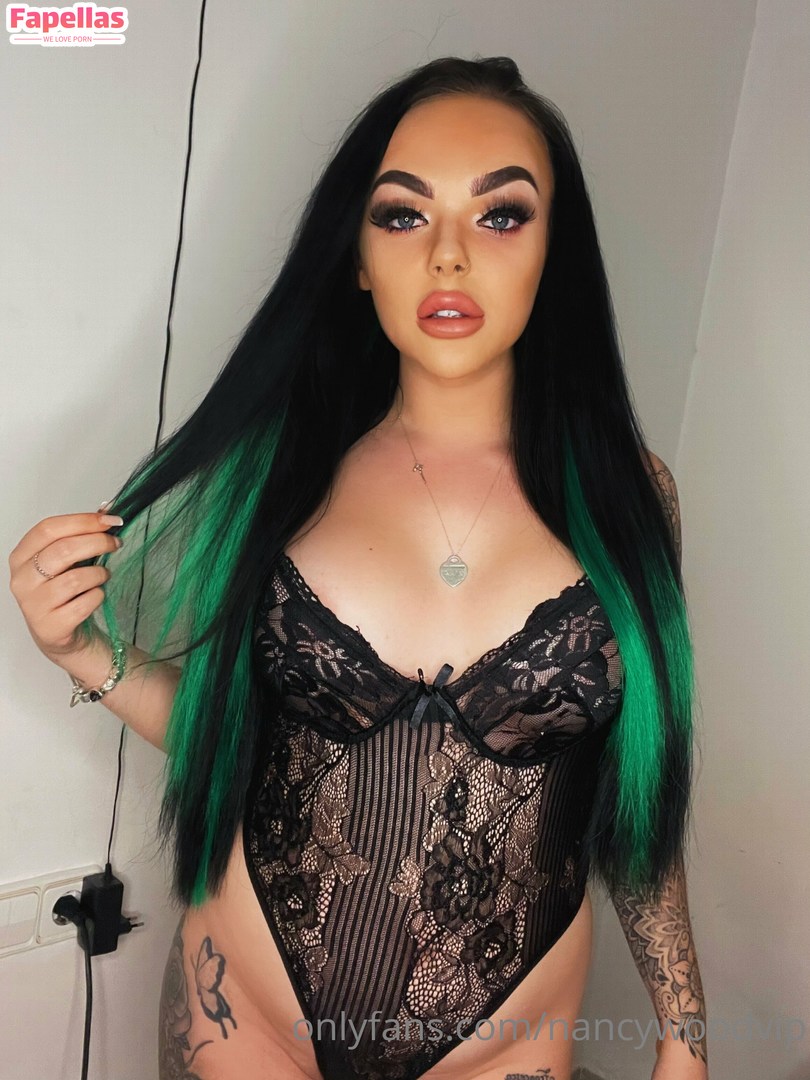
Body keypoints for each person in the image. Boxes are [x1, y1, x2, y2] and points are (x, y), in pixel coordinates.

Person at [9, 56, 708, 1080]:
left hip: (505, 1047)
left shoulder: (633, 503)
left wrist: (684, 1032)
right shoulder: (277, 474)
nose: (449, 256)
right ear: (359, 259)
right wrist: (79, 652)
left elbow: (638, 795)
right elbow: (233, 734)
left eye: (502, 216)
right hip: (242, 1019)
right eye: (403, 216)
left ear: (555, 253)